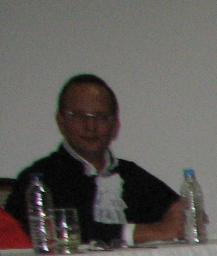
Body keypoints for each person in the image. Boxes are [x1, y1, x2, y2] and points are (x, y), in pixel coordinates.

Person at [4, 75, 183, 246]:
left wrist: (180, 218)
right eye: (79, 116)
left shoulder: (132, 175)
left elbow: (178, 214)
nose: (90, 126)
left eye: (101, 117)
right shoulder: (38, 179)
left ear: (115, 125)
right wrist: (145, 232)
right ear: (61, 121)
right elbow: (60, 232)